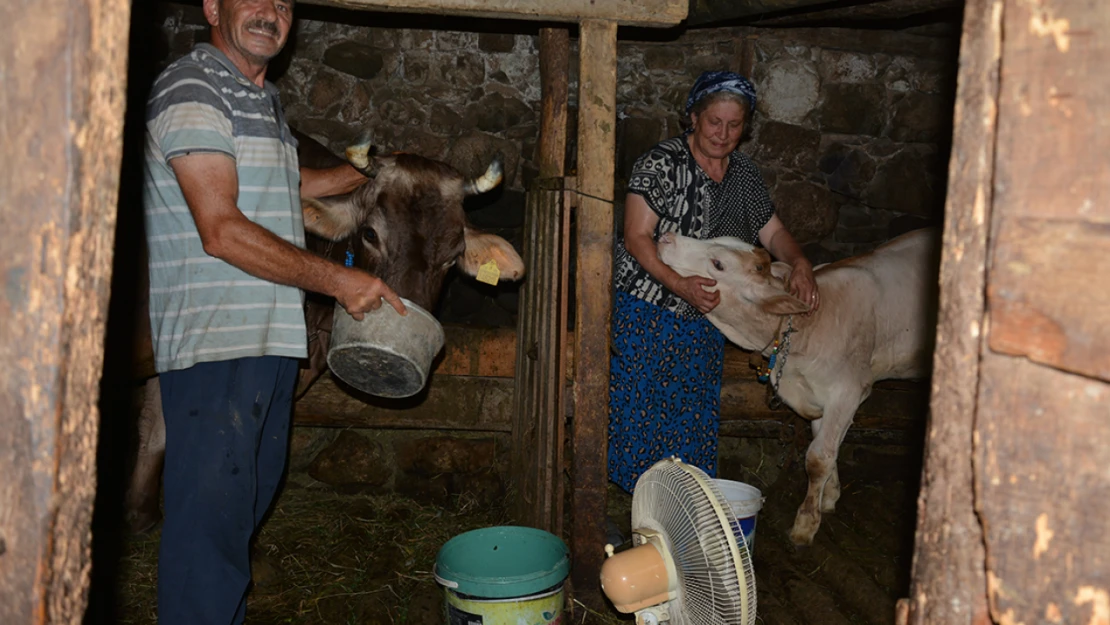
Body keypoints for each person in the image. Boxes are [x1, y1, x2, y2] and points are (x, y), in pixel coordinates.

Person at [142, 1, 405, 623]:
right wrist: (340, 282)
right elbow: (221, 229)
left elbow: (286, 181)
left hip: (266, 342)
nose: (271, 12)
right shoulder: (193, 86)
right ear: (212, 6)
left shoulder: (262, 98)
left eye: (283, 2)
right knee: (208, 534)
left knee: (237, 514)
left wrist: (365, 175)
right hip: (216, 343)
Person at [608, 71, 819, 492]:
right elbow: (635, 236)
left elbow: (772, 232)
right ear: (693, 117)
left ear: (746, 127)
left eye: (734, 125)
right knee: (639, 407)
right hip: (648, 307)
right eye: (713, 122)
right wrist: (677, 283)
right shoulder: (661, 163)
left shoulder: (743, 175)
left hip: (708, 317)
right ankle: (632, 504)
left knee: (691, 413)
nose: (723, 134)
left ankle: (681, 502)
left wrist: (799, 262)